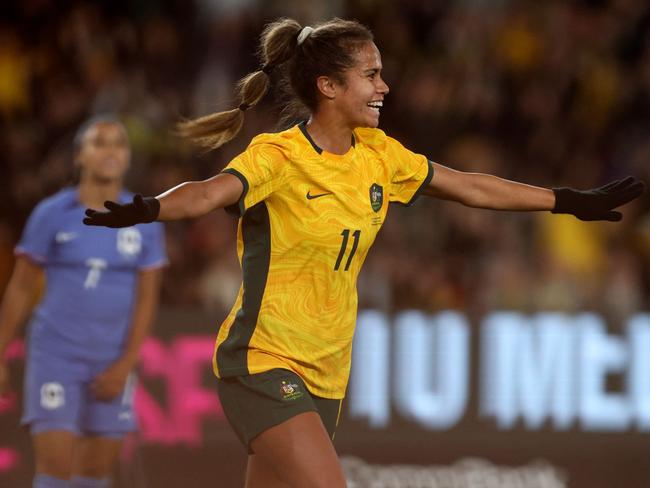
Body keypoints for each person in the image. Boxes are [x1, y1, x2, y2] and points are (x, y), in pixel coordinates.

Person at [83, 19, 645, 488]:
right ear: (328, 86)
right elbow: (208, 193)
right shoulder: (277, 157)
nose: (385, 86)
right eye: (372, 74)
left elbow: (471, 187)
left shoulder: (379, 155)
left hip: (327, 372)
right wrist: (150, 208)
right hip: (262, 361)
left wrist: (564, 200)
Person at [0, 115, 167, 488]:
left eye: (119, 144)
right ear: (79, 156)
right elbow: (22, 287)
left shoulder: (145, 219)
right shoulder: (51, 214)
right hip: (56, 354)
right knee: (55, 468)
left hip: (112, 359)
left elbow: (147, 299)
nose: (111, 151)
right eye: (100, 142)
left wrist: (126, 363)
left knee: (95, 472)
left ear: (127, 157)